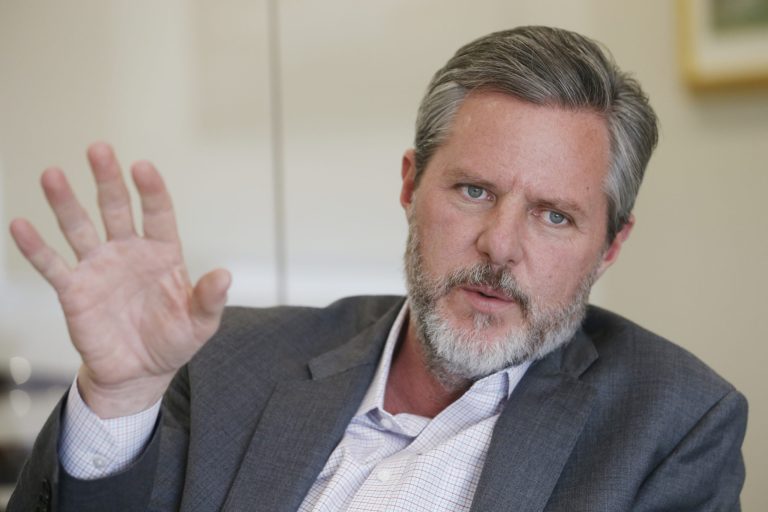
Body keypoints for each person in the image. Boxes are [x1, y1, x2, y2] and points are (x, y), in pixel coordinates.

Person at [8, 26, 746, 512]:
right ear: (409, 185)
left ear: (611, 245)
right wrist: (119, 399)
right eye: (474, 190)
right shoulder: (227, 362)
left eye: (555, 215)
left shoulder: (670, 425)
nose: (499, 245)